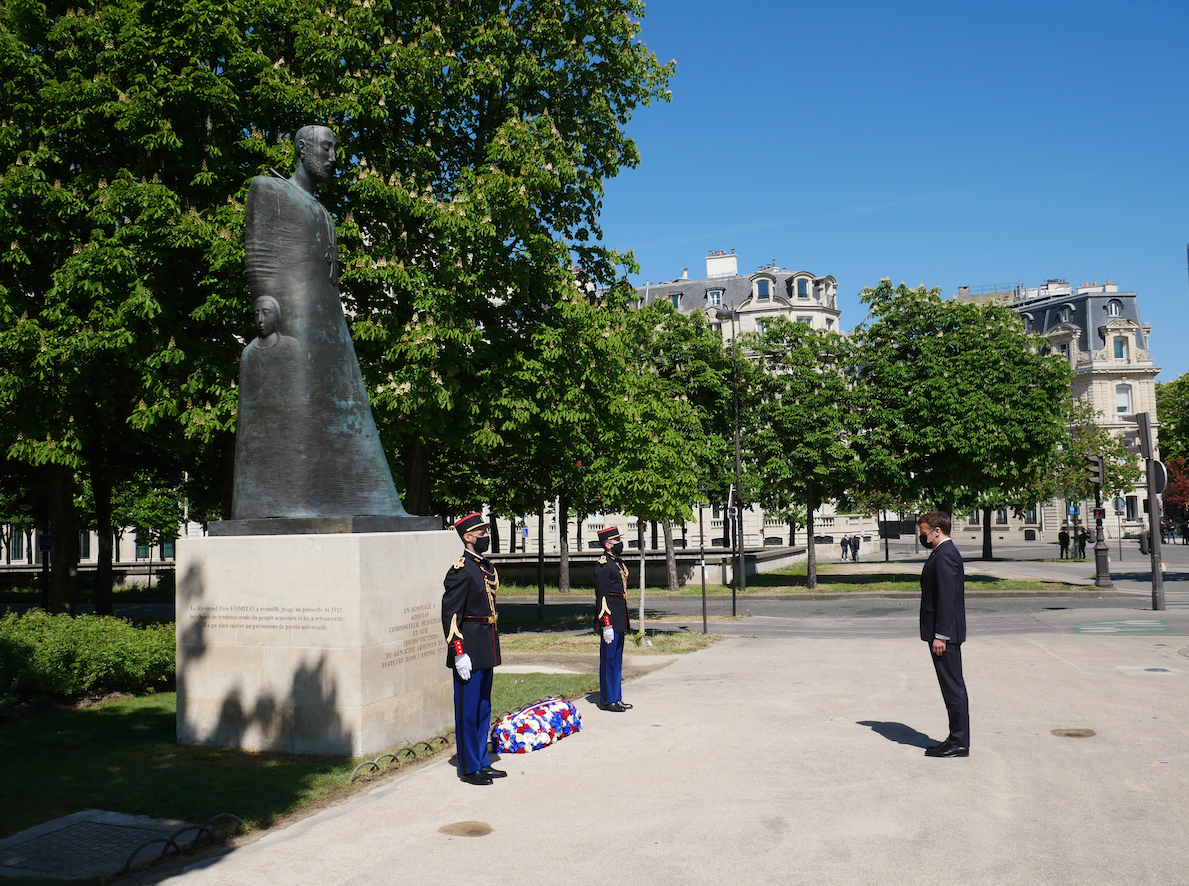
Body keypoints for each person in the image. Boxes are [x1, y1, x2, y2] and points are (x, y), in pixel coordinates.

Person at [442, 512, 505, 786]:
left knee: (482, 706)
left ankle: (481, 760)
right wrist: (458, 652)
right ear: (467, 537)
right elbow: (450, 614)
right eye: (481, 534)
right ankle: (468, 767)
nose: (485, 537)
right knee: (468, 709)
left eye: (485, 533)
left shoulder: (485, 567)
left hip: (486, 643)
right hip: (468, 647)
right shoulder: (461, 569)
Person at [918, 511, 969, 758]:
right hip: (944, 634)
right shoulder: (941, 553)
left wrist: (941, 635)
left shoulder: (945, 555)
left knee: (953, 687)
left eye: (924, 532)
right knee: (950, 686)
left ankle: (959, 741)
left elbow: (947, 599)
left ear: (937, 531)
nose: (922, 536)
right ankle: (955, 737)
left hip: (945, 636)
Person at [593, 526, 633, 712]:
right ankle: (608, 700)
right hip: (610, 618)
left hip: (620, 616)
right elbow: (602, 596)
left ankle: (617, 697)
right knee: (609, 660)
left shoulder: (616, 562)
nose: (620, 543)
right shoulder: (604, 565)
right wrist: (605, 624)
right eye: (616, 540)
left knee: (617, 659)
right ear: (607, 544)